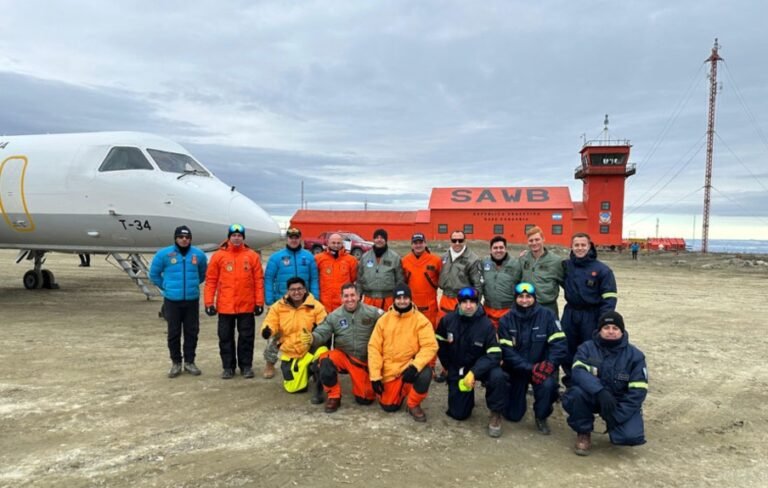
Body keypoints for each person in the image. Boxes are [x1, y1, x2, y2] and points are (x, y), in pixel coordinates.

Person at [562, 311, 648, 456]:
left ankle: (614, 422)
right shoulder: (586, 348)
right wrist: (599, 391)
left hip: (619, 402)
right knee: (575, 394)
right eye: (606, 328)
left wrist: (618, 415)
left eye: (615, 328)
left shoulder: (635, 356)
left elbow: (638, 391)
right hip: (594, 395)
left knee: (630, 436)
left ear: (622, 331)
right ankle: (583, 432)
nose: (610, 331)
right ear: (599, 330)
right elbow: (578, 372)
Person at [435, 287, 506, 437]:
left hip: (482, 368)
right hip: (460, 368)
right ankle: (467, 400)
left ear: (477, 303)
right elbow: (440, 344)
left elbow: (495, 354)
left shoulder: (486, 325)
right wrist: (449, 367)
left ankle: (495, 413)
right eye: (464, 302)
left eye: (472, 302)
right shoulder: (447, 321)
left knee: (498, 375)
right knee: (459, 414)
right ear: (459, 303)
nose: (468, 306)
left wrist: (474, 372)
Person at [498, 282, 567, 435]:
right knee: (513, 415)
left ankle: (541, 416)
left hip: (542, 369)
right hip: (518, 370)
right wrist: (529, 368)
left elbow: (559, 344)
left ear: (534, 298)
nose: (524, 300)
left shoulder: (548, 315)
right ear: (515, 298)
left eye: (528, 296)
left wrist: (550, 364)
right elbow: (507, 352)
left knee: (549, 386)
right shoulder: (506, 320)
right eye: (521, 297)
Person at [367, 283, 437, 422]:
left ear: (410, 299)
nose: (402, 301)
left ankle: (413, 404)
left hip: (408, 367)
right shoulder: (383, 320)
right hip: (389, 370)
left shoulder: (421, 321)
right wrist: (375, 376)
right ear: (394, 300)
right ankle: (400, 390)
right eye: (398, 298)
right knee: (389, 407)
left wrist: (415, 366)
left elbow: (430, 346)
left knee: (425, 372)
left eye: (405, 298)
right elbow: (374, 348)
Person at [204, 224, 265, 380]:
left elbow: (258, 280)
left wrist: (259, 302)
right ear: (229, 237)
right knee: (225, 337)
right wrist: (209, 302)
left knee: (246, 338)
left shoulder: (252, 256)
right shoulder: (219, 256)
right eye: (234, 235)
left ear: (243, 238)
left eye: (239, 235)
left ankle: (246, 366)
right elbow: (211, 280)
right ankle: (228, 367)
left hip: (246, 305)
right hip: (225, 306)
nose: (236, 238)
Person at [310, 282, 383, 413]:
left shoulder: (372, 312)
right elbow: (322, 331)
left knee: (365, 399)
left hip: (364, 360)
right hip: (343, 356)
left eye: (352, 295)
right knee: (325, 360)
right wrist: (312, 337)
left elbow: (389, 322)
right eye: (346, 296)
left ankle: (365, 384)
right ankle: (334, 396)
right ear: (341, 298)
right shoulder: (334, 316)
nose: (350, 299)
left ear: (359, 296)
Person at [149, 225, 208, 378]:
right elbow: (154, 274)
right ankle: (176, 362)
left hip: (191, 300)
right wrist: (166, 286)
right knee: (174, 333)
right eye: (181, 237)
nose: (184, 240)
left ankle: (189, 361)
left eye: (187, 237)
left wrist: (192, 285)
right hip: (172, 301)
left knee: (191, 332)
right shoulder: (164, 254)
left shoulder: (199, 255)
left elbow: (203, 273)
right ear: (175, 238)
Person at [561, 233, 618, 387]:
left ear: (589, 246)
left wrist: (603, 321)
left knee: (590, 350)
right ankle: (571, 382)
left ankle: (589, 384)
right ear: (571, 247)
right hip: (570, 313)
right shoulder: (566, 266)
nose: (580, 248)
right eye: (576, 245)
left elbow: (609, 298)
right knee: (567, 348)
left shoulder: (602, 270)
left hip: (591, 315)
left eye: (583, 245)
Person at [263, 227, 319, 379]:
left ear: (300, 238)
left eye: (296, 237)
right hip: (282, 303)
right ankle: (270, 363)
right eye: (291, 237)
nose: (293, 240)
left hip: (303, 303)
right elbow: (268, 279)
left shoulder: (308, 257)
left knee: (304, 333)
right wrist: (270, 301)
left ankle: (306, 363)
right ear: (287, 239)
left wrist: (315, 299)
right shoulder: (276, 258)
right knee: (275, 334)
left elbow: (314, 279)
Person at [260, 277, 328, 395]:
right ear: (288, 291)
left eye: (300, 289)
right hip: (291, 351)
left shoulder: (316, 306)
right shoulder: (278, 306)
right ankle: (306, 371)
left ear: (305, 289)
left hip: (310, 348)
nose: (297, 292)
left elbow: (325, 327)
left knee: (323, 352)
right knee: (294, 388)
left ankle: (316, 372)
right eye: (293, 289)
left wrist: (314, 336)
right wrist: (267, 330)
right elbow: (270, 321)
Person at [437, 230, 483, 323]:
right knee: (443, 326)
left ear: (465, 241)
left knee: (460, 327)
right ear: (450, 241)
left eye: (460, 240)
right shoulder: (444, 257)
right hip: (445, 298)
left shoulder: (473, 259)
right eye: (454, 240)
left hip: (462, 299)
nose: (457, 243)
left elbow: (477, 285)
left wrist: (475, 304)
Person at [519, 226, 564, 318]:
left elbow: (565, 283)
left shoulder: (556, 261)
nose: (534, 243)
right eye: (531, 240)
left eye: (537, 239)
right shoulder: (523, 259)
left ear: (543, 239)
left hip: (548, 307)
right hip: (527, 306)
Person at [401, 232, 442, 327]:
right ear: (412, 245)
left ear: (425, 244)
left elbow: (442, 279)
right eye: (415, 243)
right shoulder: (405, 261)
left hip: (430, 305)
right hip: (411, 302)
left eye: (421, 242)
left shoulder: (435, 260)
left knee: (429, 329)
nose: (418, 245)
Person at [357, 228, 404, 310]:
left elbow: (400, 280)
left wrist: (399, 298)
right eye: (377, 237)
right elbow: (359, 279)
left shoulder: (394, 257)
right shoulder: (365, 257)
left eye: (382, 238)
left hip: (388, 299)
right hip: (369, 299)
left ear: (386, 240)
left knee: (388, 318)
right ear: (373, 240)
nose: (379, 240)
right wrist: (358, 295)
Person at [481, 235, 521, 328]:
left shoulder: (516, 264)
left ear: (505, 249)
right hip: (488, 310)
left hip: (508, 310)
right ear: (490, 250)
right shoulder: (484, 262)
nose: (498, 250)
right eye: (495, 248)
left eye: (501, 247)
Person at [314, 232, 358, 312]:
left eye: (338, 243)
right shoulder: (319, 259)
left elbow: (353, 278)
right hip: (325, 303)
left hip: (343, 303)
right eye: (333, 243)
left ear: (342, 244)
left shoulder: (351, 260)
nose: (336, 245)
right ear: (328, 243)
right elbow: (315, 279)